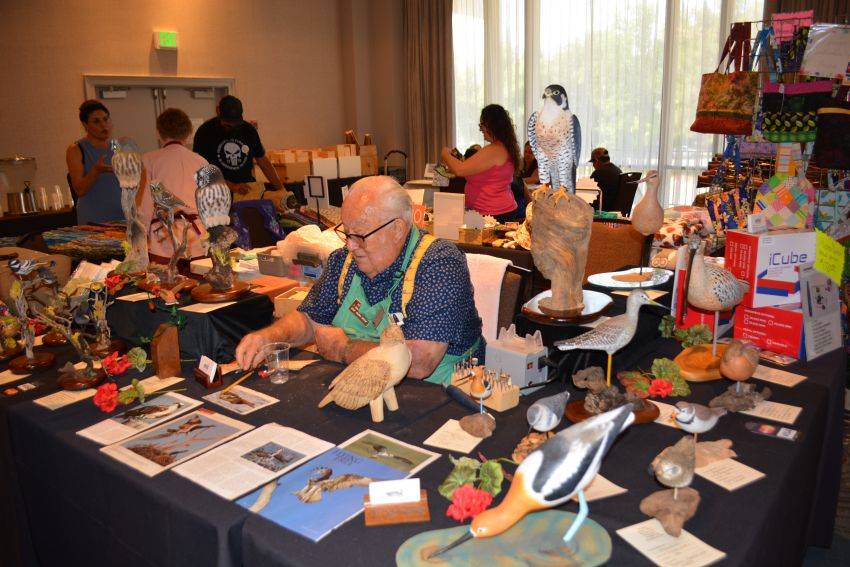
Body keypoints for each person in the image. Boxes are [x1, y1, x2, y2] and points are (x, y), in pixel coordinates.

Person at [236, 176, 484, 384]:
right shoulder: (343, 260)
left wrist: (345, 350)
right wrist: (269, 337)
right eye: (346, 232)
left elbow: (418, 363)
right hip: (363, 385)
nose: (351, 245)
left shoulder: (439, 263)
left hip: (437, 396)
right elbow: (310, 319)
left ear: (397, 228)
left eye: (360, 235)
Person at [138, 108, 208, 265]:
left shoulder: (149, 160)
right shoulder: (201, 161)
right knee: (198, 286)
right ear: (189, 132)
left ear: (158, 132)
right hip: (197, 236)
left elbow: (144, 206)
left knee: (166, 287)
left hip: (163, 238)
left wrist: (138, 239)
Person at [440, 104, 521, 221]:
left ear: (492, 125)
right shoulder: (503, 148)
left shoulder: (494, 150)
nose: (480, 129)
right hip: (495, 211)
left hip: (494, 214)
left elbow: (459, 170)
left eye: (482, 125)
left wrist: (445, 153)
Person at [192, 95, 284, 196]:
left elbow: (262, 160)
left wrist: (281, 189)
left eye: (236, 124)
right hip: (217, 194)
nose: (232, 128)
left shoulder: (248, 130)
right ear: (218, 111)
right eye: (227, 125)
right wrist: (232, 186)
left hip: (247, 191)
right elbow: (201, 170)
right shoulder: (205, 132)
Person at [66, 100, 124, 224]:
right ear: (85, 125)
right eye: (96, 121)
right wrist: (96, 171)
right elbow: (79, 190)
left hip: (122, 218)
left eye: (106, 119)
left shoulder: (118, 147)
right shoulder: (76, 150)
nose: (104, 125)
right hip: (93, 220)